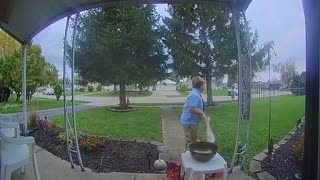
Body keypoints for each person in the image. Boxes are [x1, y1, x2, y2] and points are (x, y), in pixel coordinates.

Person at [180, 76, 207, 149]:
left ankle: (191, 154)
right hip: (189, 123)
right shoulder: (194, 95)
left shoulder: (195, 93)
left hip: (191, 122)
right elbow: (191, 109)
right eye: (204, 85)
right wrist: (202, 113)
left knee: (193, 140)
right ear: (201, 86)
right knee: (191, 142)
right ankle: (188, 156)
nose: (205, 87)